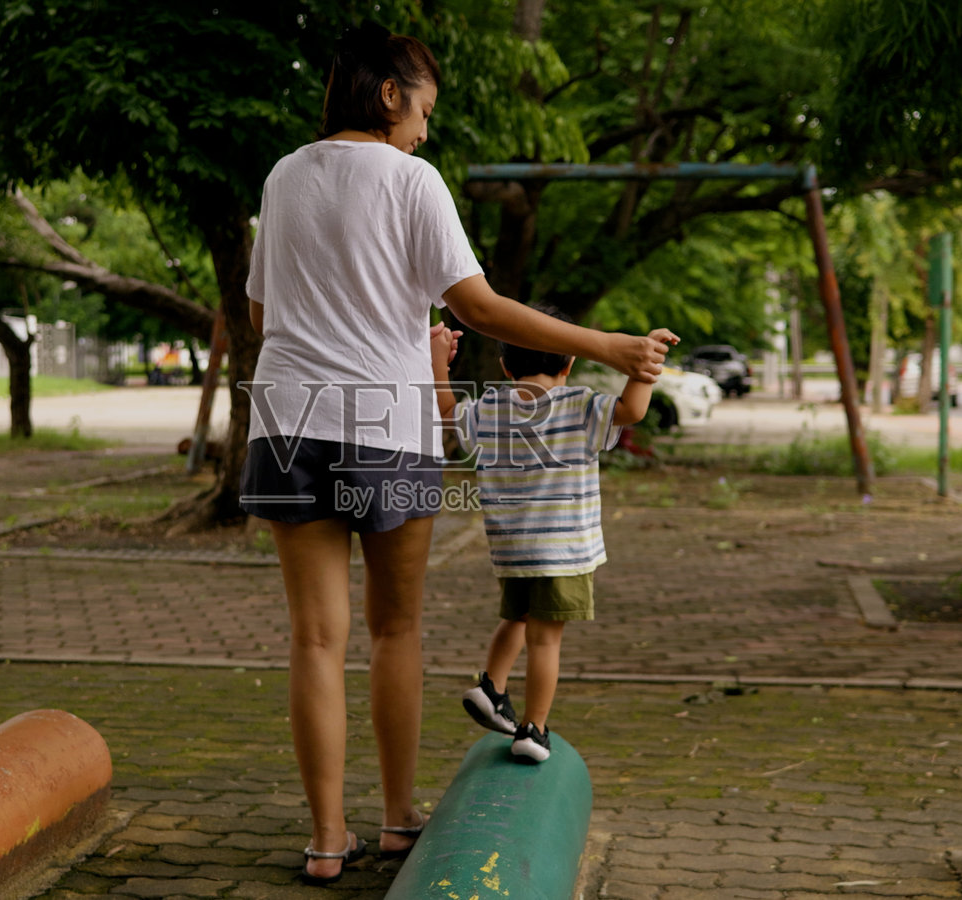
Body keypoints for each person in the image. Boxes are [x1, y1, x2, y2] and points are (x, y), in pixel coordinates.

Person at [240, 21, 670, 885]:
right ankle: (397, 821)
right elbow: (476, 307)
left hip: (287, 421)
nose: (426, 128)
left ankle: (327, 840)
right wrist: (609, 346)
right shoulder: (411, 179)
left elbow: (262, 315)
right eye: (424, 107)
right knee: (394, 628)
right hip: (385, 427)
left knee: (314, 639)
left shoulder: (285, 176)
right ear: (391, 93)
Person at [435, 307, 676, 762]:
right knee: (546, 640)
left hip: (511, 550)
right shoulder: (581, 406)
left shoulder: (489, 408)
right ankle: (533, 728)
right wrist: (648, 361)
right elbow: (633, 410)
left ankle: (492, 685)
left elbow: (447, 414)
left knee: (517, 618)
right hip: (563, 551)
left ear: (505, 366)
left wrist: (437, 365)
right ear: (570, 362)